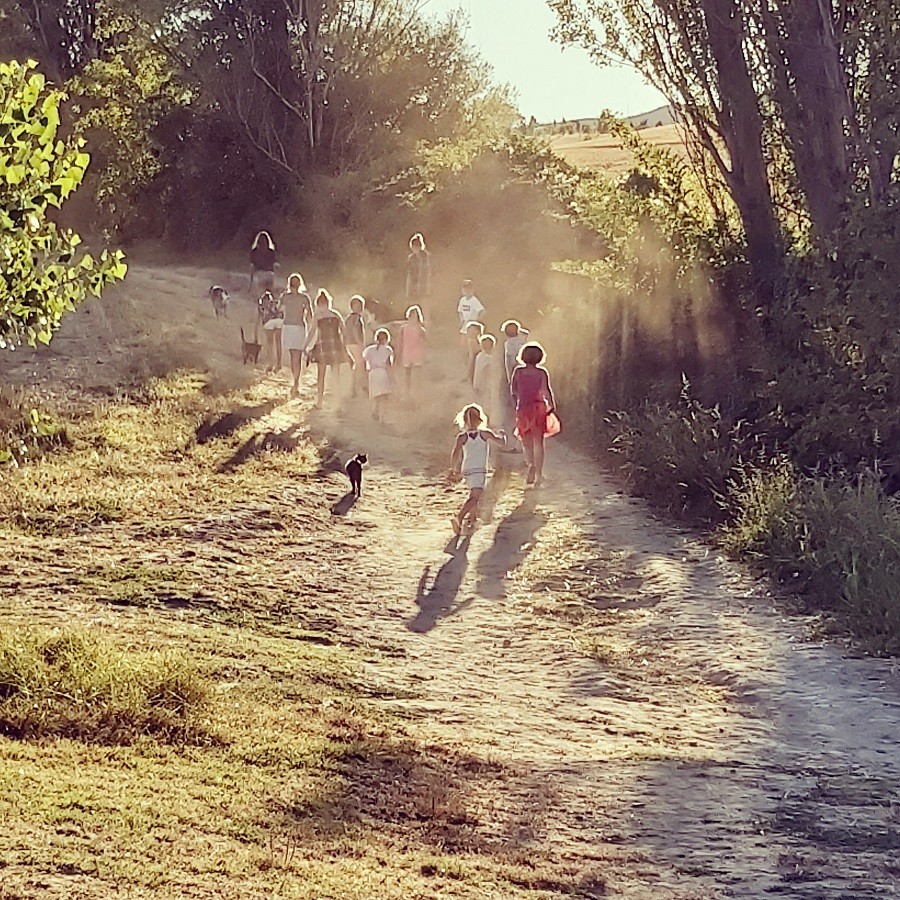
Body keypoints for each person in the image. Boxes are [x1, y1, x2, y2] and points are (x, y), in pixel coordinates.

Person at [449, 404, 505, 536]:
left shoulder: (462, 437)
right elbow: (501, 443)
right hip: (479, 469)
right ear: (480, 419)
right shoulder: (484, 434)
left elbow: (455, 453)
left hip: (467, 468)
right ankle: (459, 517)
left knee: (473, 494)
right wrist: (503, 435)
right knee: (476, 496)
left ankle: (472, 519)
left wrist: (453, 467)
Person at [510, 343, 560, 488]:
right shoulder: (541, 372)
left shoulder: (518, 372)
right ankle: (538, 475)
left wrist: (517, 402)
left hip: (523, 408)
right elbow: (546, 390)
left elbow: (513, 390)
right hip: (538, 408)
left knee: (526, 442)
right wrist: (552, 405)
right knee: (538, 442)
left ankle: (530, 464)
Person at [304, 289, 350, 409]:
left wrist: (305, 346)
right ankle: (338, 403)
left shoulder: (318, 316)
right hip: (335, 346)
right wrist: (344, 346)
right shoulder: (336, 314)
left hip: (322, 347)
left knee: (321, 376)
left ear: (318, 304)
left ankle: (319, 402)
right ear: (329, 303)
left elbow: (311, 332)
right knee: (336, 376)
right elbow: (344, 332)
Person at [281, 274, 312, 398]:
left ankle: (295, 380)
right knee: (296, 355)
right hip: (297, 327)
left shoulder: (285, 297)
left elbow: (278, 309)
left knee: (293, 354)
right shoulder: (303, 298)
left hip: (290, 327)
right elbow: (310, 315)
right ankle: (296, 381)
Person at [501, 320, 530, 449]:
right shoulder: (523, 340)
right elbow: (526, 333)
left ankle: (518, 444)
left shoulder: (508, 344)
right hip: (528, 378)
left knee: (517, 411)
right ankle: (524, 442)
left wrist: (510, 381)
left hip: (516, 380)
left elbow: (511, 363)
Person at [362, 328, 394, 424]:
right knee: (384, 397)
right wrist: (392, 377)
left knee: (376, 396)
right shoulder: (387, 350)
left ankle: (375, 410)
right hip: (382, 373)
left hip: (372, 373)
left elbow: (365, 360)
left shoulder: (370, 349)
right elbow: (388, 364)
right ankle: (382, 419)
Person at [398, 304, 427, 398]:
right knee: (407, 375)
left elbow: (425, 342)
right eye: (412, 315)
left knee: (417, 376)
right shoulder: (403, 328)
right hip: (407, 353)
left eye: (415, 316)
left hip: (417, 353)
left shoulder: (421, 329)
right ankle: (407, 394)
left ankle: (417, 394)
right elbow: (400, 341)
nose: (413, 318)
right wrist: (398, 353)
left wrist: (422, 349)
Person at [345, 295, 367, 399]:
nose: (359, 308)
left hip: (348, 344)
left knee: (354, 367)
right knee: (360, 367)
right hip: (355, 344)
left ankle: (353, 388)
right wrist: (360, 344)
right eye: (357, 306)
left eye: (361, 306)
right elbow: (355, 330)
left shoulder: (348, 318)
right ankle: (360, 387)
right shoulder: (357, 318)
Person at [257, 290, 284, 372]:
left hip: (268, 321)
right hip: (279, 320)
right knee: (278, 342)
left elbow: (259, 318)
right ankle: (279, 363)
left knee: (270, 343)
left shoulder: (261, 305)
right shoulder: (276, 303)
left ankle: (271, 364)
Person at [472, 333, 497, 418]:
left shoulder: (482, 356)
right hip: (483, 384)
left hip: (483, 384)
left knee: (485, 404)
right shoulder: (484, 357)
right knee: (484, 404)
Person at [405, 234, 431, 305]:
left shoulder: (426, 257)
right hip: (413, 289)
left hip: (424, 288)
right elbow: (409, 275)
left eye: (415, 246)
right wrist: (408, 292)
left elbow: (428, 273)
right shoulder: (411, 258)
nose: (414, 249)